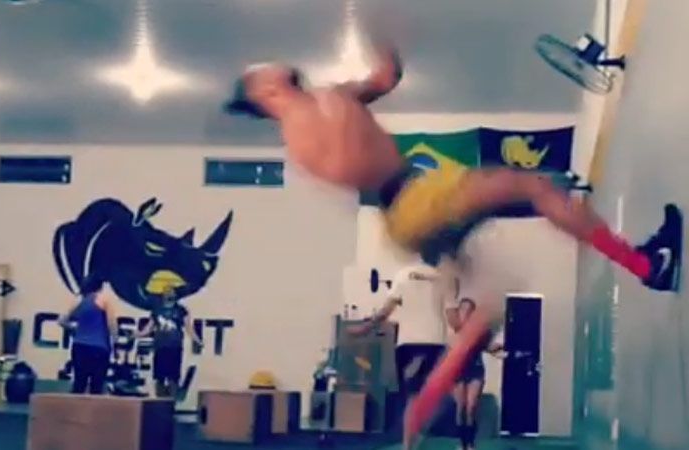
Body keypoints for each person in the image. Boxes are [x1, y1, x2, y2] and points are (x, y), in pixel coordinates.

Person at [223, 34, 682, 449]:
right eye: (262, 71)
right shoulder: (307, 129)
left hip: (407, 214)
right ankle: (647, 265)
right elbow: (355, 161)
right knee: (534, 187)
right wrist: (345, 103)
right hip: (413, 199)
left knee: (484, 314)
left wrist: (383, 37)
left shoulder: (321, 110)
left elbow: (386, 77)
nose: (271, 64)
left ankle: (417, 414)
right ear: (264, 92)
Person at [348, 262, 457, 406]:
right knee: (432, 392)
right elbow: (453, 319)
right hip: (435, 342)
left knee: (407, 392)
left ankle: (407, 416)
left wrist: (364, 328)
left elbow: (385, 312)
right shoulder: (444, 278)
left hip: (408, 342)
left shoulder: (403, 275)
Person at [450, 298, 505, 450]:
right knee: (460, 407)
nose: (466, 313)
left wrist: (501, 349)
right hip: (458, 371)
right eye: (463, 310)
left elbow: (488, 347)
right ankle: (462, 443)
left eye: (469, 310)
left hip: (475, 369)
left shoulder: (480, 331)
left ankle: (470, 443)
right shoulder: (454, 329)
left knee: (471, 406)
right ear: (458, 312)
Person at [58, 274, 118, 395]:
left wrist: (75, 328)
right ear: (100, 287)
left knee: (79, 384)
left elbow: (61, 321)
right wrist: (115, 340)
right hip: (99, 348)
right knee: (97, 386)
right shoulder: (103, 300)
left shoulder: (79, 300)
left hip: (79, 346)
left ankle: (75, 407)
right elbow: (111, 323)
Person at [137, 289, 202, 398]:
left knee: (174, 377)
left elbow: (189, 328)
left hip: (175, 348)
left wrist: (197, 340)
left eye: (172, 293)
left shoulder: (181, 310)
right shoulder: (157, 310)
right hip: (160, 348)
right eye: (167, 293)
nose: (169, 295)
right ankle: (160, 401)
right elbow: (148, 329)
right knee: (159, 378)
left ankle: (172, 400)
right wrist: (136, 334)